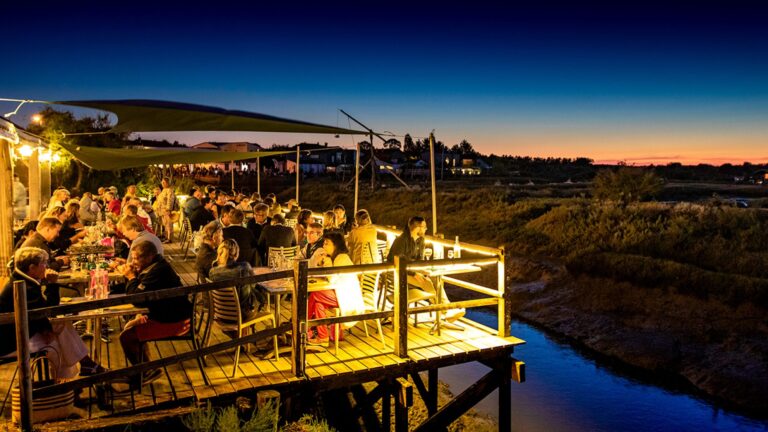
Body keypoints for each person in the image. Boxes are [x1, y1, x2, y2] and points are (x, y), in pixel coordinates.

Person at [0, 247, 105, 379]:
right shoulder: (25, 286)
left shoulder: (22, 279)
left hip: (20, 330)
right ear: (32, 268)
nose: (47, 266)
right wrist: (52, 284)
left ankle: (80, 371)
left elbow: (41, 312)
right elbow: (49, 311)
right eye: (44, 263)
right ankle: (67, 384)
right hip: (11, 342)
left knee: (62, 325)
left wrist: (46, 328)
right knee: (56, 345)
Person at [118, 241, 188, 385]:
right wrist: (135, 273)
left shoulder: (158, 271)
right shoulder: (155, 266)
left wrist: (131, 277)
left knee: (127, 336)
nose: (133, 261)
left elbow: (136, 298)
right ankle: (147, 369)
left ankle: (146, 371)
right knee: (132, 329)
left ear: (149, 257)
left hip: (176, 321)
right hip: (165, 314)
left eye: (137, 258)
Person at [387, 216, 465, 325]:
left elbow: (420, 260)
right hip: (397, 273)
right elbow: (397, 262)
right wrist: (415, 274)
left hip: (412, 271)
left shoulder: (421, 240)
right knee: (427, 283)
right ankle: (445, 311)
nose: (425, 229)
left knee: (434, 278)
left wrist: (425, 271)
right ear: (417, 228)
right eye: (424, 227)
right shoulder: (401, 240)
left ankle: (445, 309)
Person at [307, 232, 364, 345]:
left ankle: (304, 328)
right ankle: (323, 337)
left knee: (315, 294)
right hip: (339, 293)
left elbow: (332, 279)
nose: (324, 246)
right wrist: (321, 262)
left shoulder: (342, 258)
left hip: (347, 298)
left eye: (327, 243)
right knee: (318, 304)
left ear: (336, 245)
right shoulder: (335, 258)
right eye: (324, 243)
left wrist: (326, 261)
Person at [209, 239, 263, 316]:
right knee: (258, 295)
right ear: (236, 254)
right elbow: (254, 284)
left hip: (220, 314)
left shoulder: (212, 272)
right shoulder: (244, 267)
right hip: (240, 315)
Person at [156, 178, 177, 243]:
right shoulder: (164, 190)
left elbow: (170, 200)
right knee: (165, 224)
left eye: (164, 182)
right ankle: (166, 237)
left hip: (166, 210)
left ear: (168, 183)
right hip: (162, 211)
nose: (163, 184)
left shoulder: (169, 190)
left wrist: (168, 209)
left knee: (168, 224)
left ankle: (169, 238)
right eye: (162, 182)